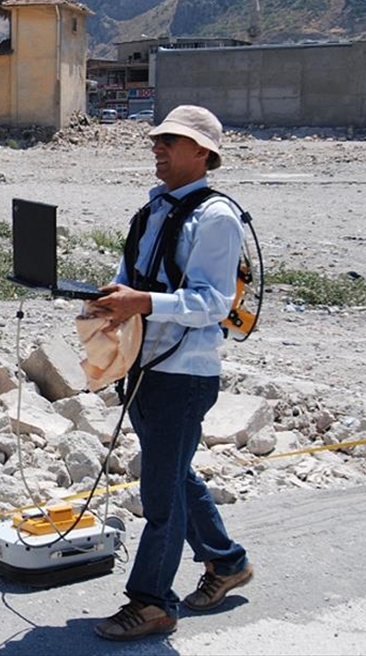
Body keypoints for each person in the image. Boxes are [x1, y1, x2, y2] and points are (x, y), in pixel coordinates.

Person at [87, 105, 253, 641]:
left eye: (170, 141)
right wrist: (113, 301)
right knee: (174, 474)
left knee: (161, 494)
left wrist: (142, 303)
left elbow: (214, 302)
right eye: (156, 139)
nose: (157, 148)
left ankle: (153, 602)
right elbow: (132, 277)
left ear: (202, 153)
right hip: (144, 365)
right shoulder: (154, 209)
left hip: (183, 374)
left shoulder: (217, 217)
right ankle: (227, 562)